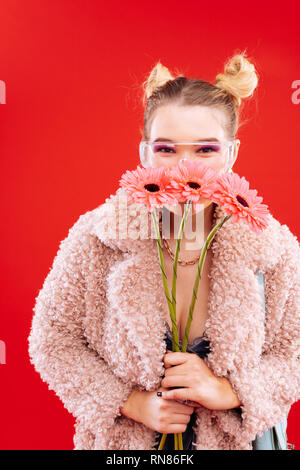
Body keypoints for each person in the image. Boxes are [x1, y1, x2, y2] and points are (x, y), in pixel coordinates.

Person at [28, 51, 300, 450]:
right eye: (166, 149)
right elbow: (53, 342)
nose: (184, 169)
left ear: (233, 154)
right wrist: (131, 403)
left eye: (206, 150)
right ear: (143, 153)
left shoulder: (273, 249)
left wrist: (231, 391)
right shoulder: (96, 239)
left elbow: (294, 352)